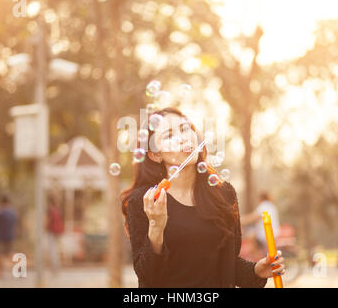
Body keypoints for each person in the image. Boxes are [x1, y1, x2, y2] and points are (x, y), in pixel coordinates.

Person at [121, 107, 285, 288]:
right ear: (155, 154)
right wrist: (156, 227)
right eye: (169, 135)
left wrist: (256, 270)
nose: (183, 138)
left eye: (185, 129)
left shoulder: (224, 195)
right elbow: (149, 277)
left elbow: (227, 267)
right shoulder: (144, 202)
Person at [241, 192, 281, 257]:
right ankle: (257, 257)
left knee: (249, 236)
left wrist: (240, 220)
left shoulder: (263, 205)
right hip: (275, 233)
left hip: (265, 234)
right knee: (252, 234)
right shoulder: (272, 206)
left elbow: (253, 218)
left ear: (261, 198)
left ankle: (256, 259)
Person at [0, 193, 18, 279]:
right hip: (10, 236)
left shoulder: (0, 212)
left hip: (0, 237)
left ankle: (0, 272)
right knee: (9, 253)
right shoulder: (13, 213)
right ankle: (19, 266)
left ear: (2, 202)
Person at [45, 193, 64, 275]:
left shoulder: (50, 210)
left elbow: (48, 221)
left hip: (51, 232)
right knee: (55, 250)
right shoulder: (58, 209)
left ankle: (55, 268)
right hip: (58, 232)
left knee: (52, 251)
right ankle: (56, 268)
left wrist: (45, 228)